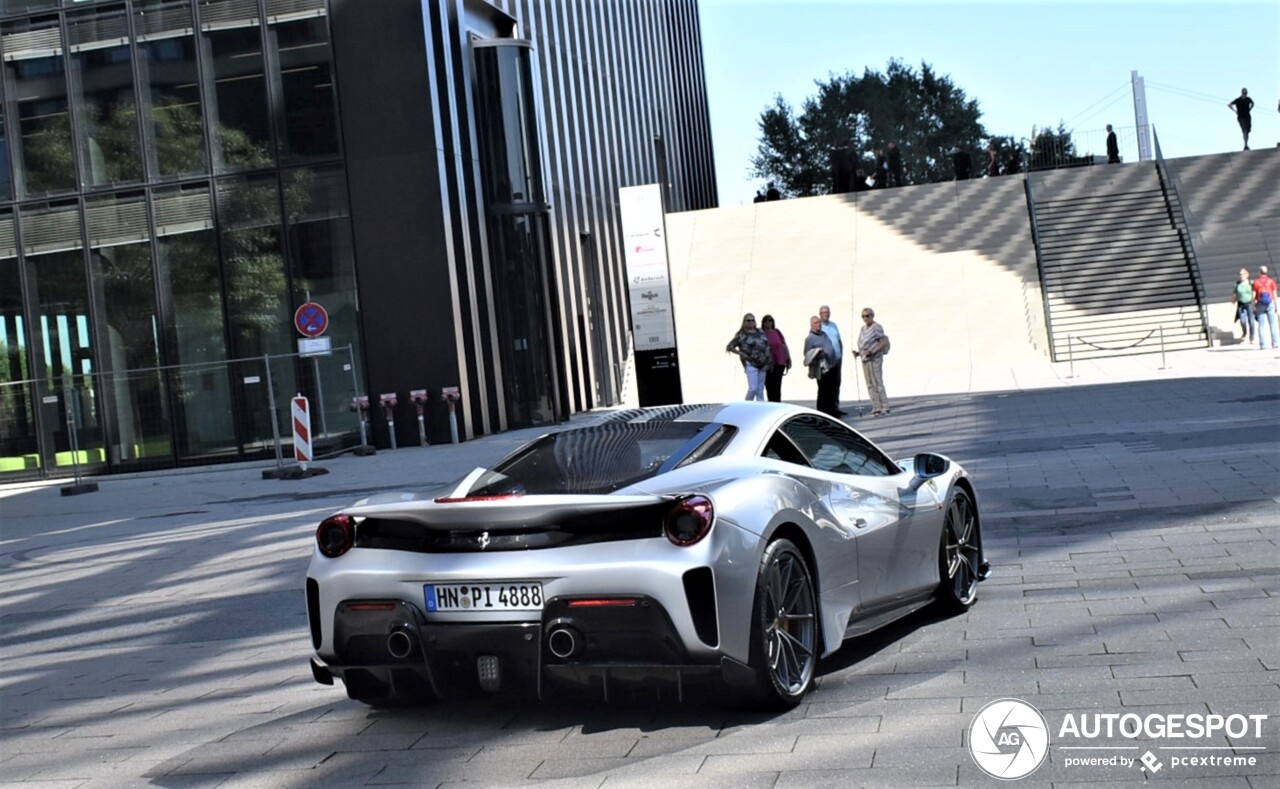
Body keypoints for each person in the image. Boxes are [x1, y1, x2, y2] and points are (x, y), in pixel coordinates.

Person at [852, 308, 891, 416]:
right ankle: (876, 406)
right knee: (869, 383)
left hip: (875, 358)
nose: (865, 318)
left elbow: (882, 342)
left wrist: (872, 351)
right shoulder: (862, 328)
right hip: (865, 359)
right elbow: (863, 344)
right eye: (863, 316)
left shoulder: (877, 327)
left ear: (872, 316)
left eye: (868, 316)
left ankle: (885, 406)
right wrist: (858, 353)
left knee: (877, 381)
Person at [725, 313, 772, 400]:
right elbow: (730, 346)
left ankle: (760, 408)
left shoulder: (760, 332)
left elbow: (767, 344)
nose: (751, 322)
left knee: (760, 389)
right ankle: (747, 405)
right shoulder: (741, 335)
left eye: (752, 320)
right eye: (748, 320)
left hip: (763, 363)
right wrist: (740, 353)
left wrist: (769, 359)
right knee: (753, 388)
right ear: (744, 322)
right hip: (751, 362)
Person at [802, 316, 838, 416]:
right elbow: (807, 354)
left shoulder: (824, 334)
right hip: (822, 368)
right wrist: (817, 354)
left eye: (819, 322)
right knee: (823, 391)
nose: (818, 324)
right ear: (811, 325)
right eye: (816, 323)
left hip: (832, 365)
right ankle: (823, 412)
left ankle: (832, 410)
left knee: (832, 389)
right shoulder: (810, 338)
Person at [818, 305, 845, 415]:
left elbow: (838, 340)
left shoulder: (833, 325)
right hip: (827, 360)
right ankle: (827, 409)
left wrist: (841, 353)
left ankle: (835, 407)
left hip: (837, 358)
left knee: (837, 383)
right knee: (827, 385)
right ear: (820, 314)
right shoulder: (819, 326)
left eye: (828, 312)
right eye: (824, 312)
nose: (826, 314)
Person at [760, 315, 792, 402]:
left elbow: (784, 344)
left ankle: (778, 402)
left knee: (777, 385)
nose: (768, 323)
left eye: (770, 321)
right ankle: (772, 402)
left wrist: (788, 358)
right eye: (766, 321)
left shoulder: (777, 332)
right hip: (769, 363)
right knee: (770, 386)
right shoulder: (761, 333)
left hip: (780, 362)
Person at [1252, 265, 1278, 349]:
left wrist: (1253, 306)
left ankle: (1263, 344)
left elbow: (1253, 295)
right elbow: (1274, 294)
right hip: (1270, 303)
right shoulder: (1271, 281)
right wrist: (1276, 305)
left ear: (1259, 272)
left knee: (1262, 325)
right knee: (1273, 324)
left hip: (1260, 304)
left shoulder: (1256, 282)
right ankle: (1275, 343)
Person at [1233, 268, 1257, 343]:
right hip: (1241, 304)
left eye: (1243, 274)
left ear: (1246, 275)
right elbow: (1234, 294)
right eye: (1240, 274)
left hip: (1250, 304)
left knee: (1251, 321)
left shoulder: (1251, 283)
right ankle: (1244, 332)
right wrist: (1232, 302)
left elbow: (1254, 292)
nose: (1241, 276)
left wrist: (1254, 301)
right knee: (1242, 321)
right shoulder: (1237, 284)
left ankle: (1252, 337)